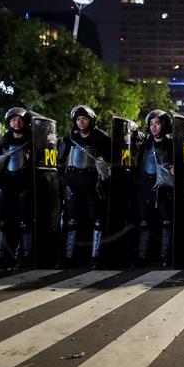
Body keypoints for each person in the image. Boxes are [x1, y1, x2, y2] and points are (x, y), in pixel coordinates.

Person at [57, 105, 112, 268]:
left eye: (85, 119)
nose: (81, 122)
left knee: (96, 222)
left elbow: (110, 160)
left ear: (91, 120)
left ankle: (96, 257)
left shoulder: (101, 138)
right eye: (78, 119)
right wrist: (64, 184)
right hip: (73, 184)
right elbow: (60, 163)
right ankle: (69, 257)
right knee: (72, 221)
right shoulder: (68, 140)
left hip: (93, 185)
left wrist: (104, 172)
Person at [0, 107, 35, 267]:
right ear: (9, 122)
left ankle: (26, 257)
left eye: (20, 120)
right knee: (4, 223)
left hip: (25, 186)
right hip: (5, 186)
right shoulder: (3, 142)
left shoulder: (32, 141)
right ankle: (0, 256)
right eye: (13, 119)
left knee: (24, 222)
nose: (17, 122)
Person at [133, 110, 175, 267]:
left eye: (157, 123)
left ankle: (165, 257)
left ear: (164, 125)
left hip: (164, 190)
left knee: (165, 223)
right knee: (144, 223)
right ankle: (142, 256)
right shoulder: (144, 146)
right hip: (145, 189)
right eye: (151, 124)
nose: (154, 127)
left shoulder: (171, 145)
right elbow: (137, 166)